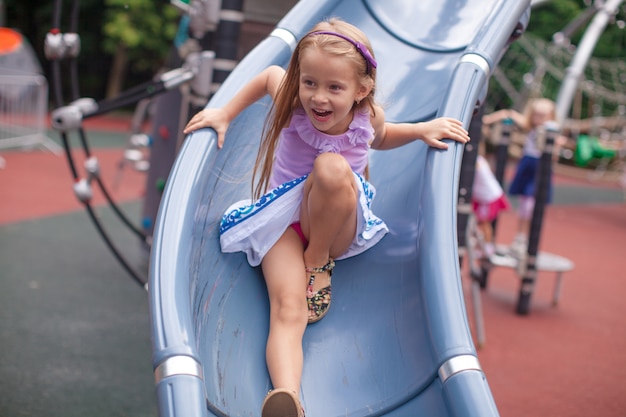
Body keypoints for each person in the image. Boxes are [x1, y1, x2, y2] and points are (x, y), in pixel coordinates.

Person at [184, 18, 469, 417]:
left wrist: (422, 129)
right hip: (282, 222)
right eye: (310, 83)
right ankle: (288, 397)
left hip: (335, 227)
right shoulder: (292, 103)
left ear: (361, 89)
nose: (319, 97)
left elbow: (382, 137)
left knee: (332, 168)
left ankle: (316, 260)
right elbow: (268, 74)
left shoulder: (368, 119)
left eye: (335, 87)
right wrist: (224, 114)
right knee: (287, 307)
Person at [482, 98, 562, 257]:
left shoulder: (550, 131)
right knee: (525, 204)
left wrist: (556, 144)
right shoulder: (529, 126)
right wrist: (486, 120)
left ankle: (525, 238)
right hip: (528, 166)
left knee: (531, 206)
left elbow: (555, 153)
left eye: (544, 116)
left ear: (551, 116)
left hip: (540, 169)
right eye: (537, 115)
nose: (540, 119)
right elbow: (509, 113)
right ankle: (520, 238)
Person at [472, 152, 509, 259]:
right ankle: (482, 246)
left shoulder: (476, 162)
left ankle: (487, 247)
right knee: (480, 222)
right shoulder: (480, 160)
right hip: (484, 196)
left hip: (488, 197)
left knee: (484, 223)